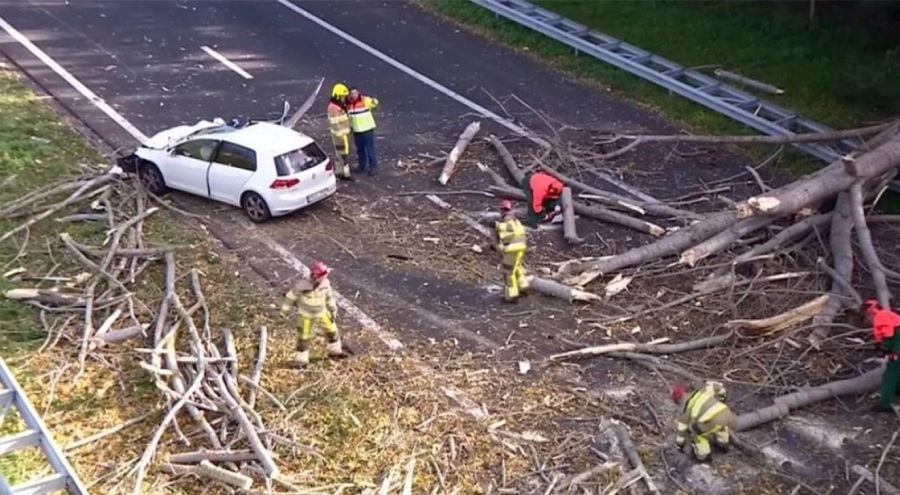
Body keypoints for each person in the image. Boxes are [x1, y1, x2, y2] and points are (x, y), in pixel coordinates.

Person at [280, 261, 343, 367]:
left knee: (332, 331)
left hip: (322, 313)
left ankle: (335, 351)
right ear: (315, 276)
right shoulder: (302, 286)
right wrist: (284, 311)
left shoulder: (325, 285)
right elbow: (290, 297)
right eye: (322, 276)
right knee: (304, 337)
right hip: (306, 315)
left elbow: (329, 298)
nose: (324, 278)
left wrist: (333, 309)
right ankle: (301, 360)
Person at [672, 381, 734, 462]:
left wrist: (679, 444)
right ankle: (723, 443)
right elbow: (717, 386)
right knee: (720, 426)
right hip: (726, 413)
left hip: (713, 421)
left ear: (678, 400)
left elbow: (681, 429)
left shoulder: (685, 410)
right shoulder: (702, 391)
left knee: (695, 431)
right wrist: (722, 398)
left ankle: (704, 455)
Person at [861, 299, 900, 412]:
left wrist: (885, 347)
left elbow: (888, 333)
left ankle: (884, 403)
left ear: (870, 312)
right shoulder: (888, 315)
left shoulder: (880, 315)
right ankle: (897, 389)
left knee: (891, 372)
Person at [495, 199, 529, 302]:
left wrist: (496, 227)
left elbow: (505, 234)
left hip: (511, 249)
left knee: (508, 272)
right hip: (521, 247)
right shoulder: (516, 220)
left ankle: (512, 293)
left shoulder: (506, 221)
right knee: (517, 267)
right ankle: (523, 285)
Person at [346, 87, 380, 176]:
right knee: (360, 150)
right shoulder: (349, 103)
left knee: (370, 150)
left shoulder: (365, 100)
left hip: (367, 129)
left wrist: (374, 102)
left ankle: (373, 167)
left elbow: (374, 104)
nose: (354, 95)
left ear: (358, 93)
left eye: (355, 93)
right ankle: (362, 166)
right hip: (357, 130)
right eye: (352, 94)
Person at [326, 83, 352, 179]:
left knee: (341, 153)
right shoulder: (334, 108)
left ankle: (340, 171)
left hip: (343, 133)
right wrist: (340, 135)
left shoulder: (340, 105)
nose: (344, 98)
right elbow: (335, 123)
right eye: (342, 96)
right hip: (339, 135)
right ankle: (344, 173)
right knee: (342, 154)